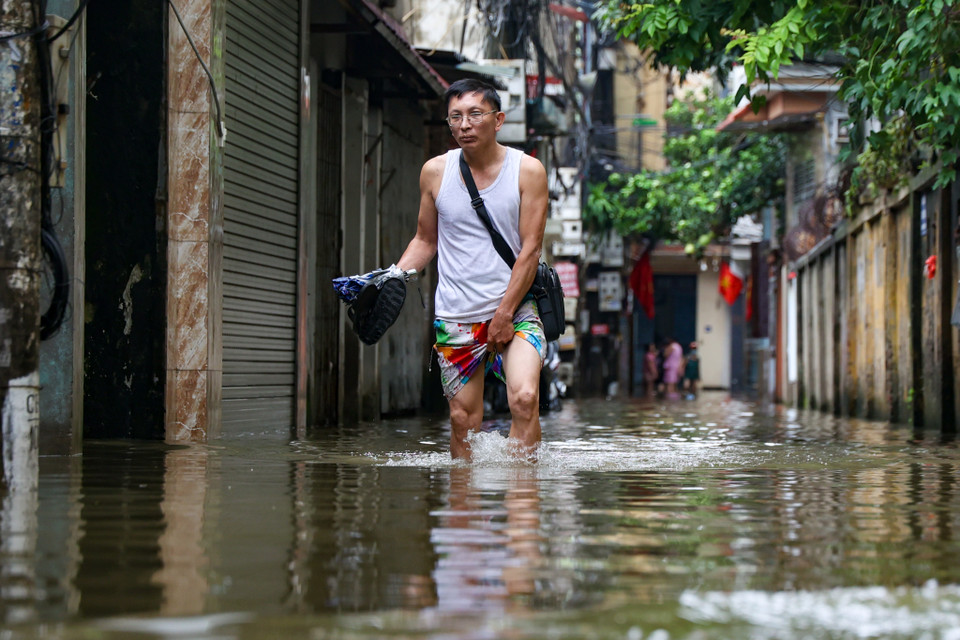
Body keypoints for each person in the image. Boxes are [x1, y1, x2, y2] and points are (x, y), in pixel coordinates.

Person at [396, 79, 549, 461]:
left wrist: (504, 312)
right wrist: (393, 277)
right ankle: (464, 510)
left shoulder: (527, 171)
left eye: (474, 115)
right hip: (457, 315)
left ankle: (521, 503)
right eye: (455, 117)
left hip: (515, 307)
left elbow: (531, 250)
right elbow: (424, 240)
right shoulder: (435, 172)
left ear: (497, 120)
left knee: (525, 398)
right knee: (464, 420)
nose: (464, 125)